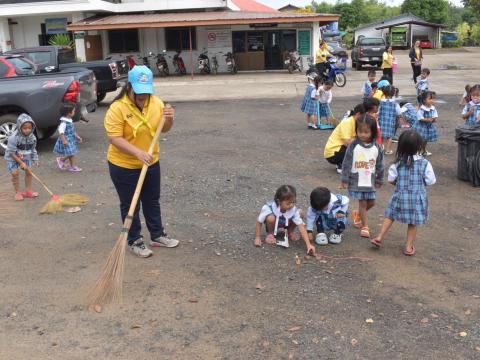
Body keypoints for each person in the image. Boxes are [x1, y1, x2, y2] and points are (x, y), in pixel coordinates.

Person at [104, 65, 178, 258]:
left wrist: (169, 120)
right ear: (129, 86)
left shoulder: (156, 103)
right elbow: (114, 138)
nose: (143, 97)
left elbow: (165, 129)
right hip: (123, 165)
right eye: (139, 92)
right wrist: (137, 153)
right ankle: (134, 239)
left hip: (151, 161)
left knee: (152, 200)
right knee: (130, 204)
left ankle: (157, 234)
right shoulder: (117, 108)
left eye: (146, 92)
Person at [372, 130, 436, 256]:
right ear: (420, 146)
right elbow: (431, 180)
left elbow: (391, 179)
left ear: (400, 146)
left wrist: (400, 184)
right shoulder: (425, 163)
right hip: (417, 198)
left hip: (400, 196)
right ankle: (408, 247)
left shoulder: (397, 164)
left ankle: (379, 237)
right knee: (412, 223)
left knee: (390, 216)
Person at [341, 115, 384, 238]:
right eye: (360, 132)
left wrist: (379, 179)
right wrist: (344, 179)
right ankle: (365, 226)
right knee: (363, 203)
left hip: (370, 180)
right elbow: (346, 163)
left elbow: (380, 164)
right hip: (357, 180)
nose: (363, 135)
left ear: (373, 131)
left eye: (366, 132)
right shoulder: (353, 145)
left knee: (372, 202)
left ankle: (358, 214)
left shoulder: (377, 147)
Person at [254, 185, 315, 254]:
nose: (291, 205)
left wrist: (308, 245)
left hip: (287, 222)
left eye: (293, 202)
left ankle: (290, 232)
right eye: (288, 203)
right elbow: (259, 222)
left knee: (300, 212)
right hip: (273, 223)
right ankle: (271, 234)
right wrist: (257, 237)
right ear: (279, 201)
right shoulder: (268, 207)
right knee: (270, 218)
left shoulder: (293, 210)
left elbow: (301, 226)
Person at [4, 113, 39, 201]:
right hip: (13, 158)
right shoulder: (13, 138)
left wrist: (35, 159)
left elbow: (33, 149)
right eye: (25, 128)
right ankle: (17, 192)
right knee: (15, 173)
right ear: (20, 127)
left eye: (29, 128)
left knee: (29, 171)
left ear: (32, 127)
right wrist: (21, 163)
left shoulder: (32, 137)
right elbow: (12, 153)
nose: (27, 130)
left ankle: (28, 191)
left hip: (25, 156)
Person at [324, 104, 366, 174]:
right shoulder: (347, 122)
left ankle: (342, 163)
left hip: (338, 150)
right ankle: (342, 165)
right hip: (333, 152)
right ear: (358, 114)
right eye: (365, 116)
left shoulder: (356, 122)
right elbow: (346, 142)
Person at [53, 102, 83, 172]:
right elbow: (61, 132)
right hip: (67, 140)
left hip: (71, 139)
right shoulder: (64, 122)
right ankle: (72, 166)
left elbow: (72, 130)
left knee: (71, 152)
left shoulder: (69, 120)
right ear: (69, 113)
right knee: (71, 153)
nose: (74, 112)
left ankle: (62, 160)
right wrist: (64, 141)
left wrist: (77, 136)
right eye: (73, 111)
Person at [378, 85, 402, 155]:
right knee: (390, 137)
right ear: (393, 94)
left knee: (381, 136)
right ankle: (387, 150)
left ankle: (380, 149)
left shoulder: (380, 102)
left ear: (383, 93)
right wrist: (400, 120)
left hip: (381, 122)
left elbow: (377, 112)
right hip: (391, 123)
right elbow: (399, 113)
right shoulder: (395, 104)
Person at [414, 91, 438, 156]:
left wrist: (434, 119)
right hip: (421, 127)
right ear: (424, 100)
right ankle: (418, 151)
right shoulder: (422, 109)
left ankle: (423, 150)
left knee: (425, 140)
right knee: (421, 140)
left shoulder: (433, 108)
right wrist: (428, 119)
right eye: (430, 99)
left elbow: (435, 115)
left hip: (428, 127)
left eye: (433, 99)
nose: (432, 100)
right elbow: (420, 118)